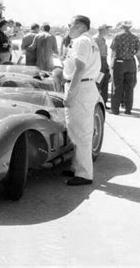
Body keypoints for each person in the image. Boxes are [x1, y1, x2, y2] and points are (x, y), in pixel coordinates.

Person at [62, 15, 100, 186]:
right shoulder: (89, 40)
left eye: (69, 25)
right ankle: (77, 167)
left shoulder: (81, 41)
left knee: (81, 132)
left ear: (78, 26)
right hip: (86, 86)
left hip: (80, 87)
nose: (68, 28)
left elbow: (80, 68)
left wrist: (71, 92)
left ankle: (84, 174)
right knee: (77, 129)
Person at [109, 20, 140, 115]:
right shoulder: (135, 37)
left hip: (119, 63)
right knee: (129, 88)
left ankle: (115, 110)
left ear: (122, 27)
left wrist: (111, 63)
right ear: (130, 27)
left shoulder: (117, 36)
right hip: (131, 63)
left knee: (117, 86)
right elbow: (139, 52)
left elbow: (113, 52)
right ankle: (128, 110)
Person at [93, 24, 112, 105]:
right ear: (102, 30)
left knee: (105, 82)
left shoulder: (103, 39)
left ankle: (103, 103)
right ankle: (95, 102)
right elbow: (93, 53)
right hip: (99, 62)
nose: (108, 31)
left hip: (104, 62)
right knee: (98, 83)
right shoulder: (95, 39)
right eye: (107, 29)